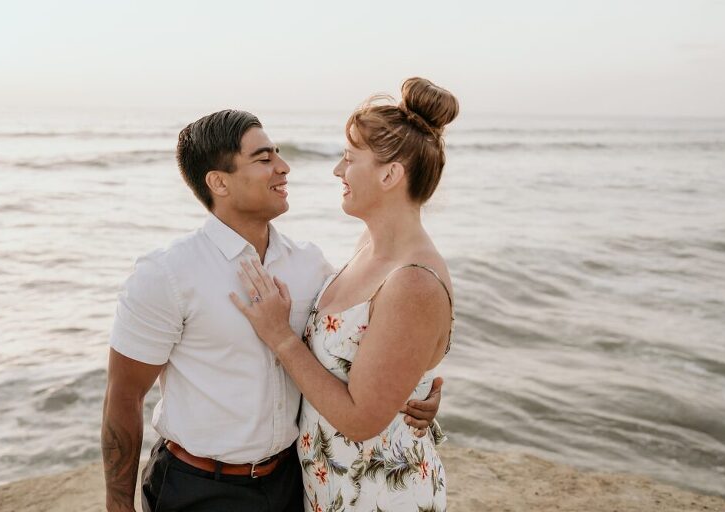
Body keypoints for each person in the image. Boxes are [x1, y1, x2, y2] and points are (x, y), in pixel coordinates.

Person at [100, 108, 444, 512]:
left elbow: (363, 335)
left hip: (291, 483)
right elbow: (123, 396)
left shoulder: (310, 265)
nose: (284, 167)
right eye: (264, 159)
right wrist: (118, 506)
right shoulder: (168, 274)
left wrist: (416, 387)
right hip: (199, 487)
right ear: (219, 182)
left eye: (278, 154)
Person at [231, 77, 458, 511]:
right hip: (335, 490)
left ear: (391, 174)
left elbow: (361, 419)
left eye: (349, 159)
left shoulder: (414, 281)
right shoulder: (368, 248)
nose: (338, 171)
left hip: (379, 499)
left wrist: (280, 337)